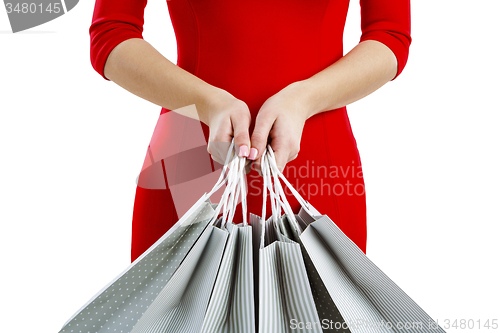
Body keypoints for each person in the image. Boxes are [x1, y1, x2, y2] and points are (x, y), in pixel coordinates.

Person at [89, 0, 411, 262]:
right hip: (189, 170)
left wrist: (304, 99)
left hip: (316, 173)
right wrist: (205, 102)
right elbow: (112, 31)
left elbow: (389, 34)